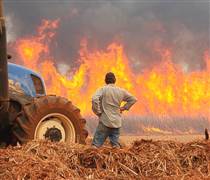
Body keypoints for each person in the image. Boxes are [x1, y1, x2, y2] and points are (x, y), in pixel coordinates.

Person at [92, 72, 137, 148]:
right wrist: (124, 107)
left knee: (95, 146)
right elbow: (133, 99)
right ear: (115, 80)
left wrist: (98, 112)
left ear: (105, 80)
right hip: (116, 123)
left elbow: (94, 99)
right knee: (115, 148)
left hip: (105, 121)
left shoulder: (103, 89)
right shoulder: (121, 91)